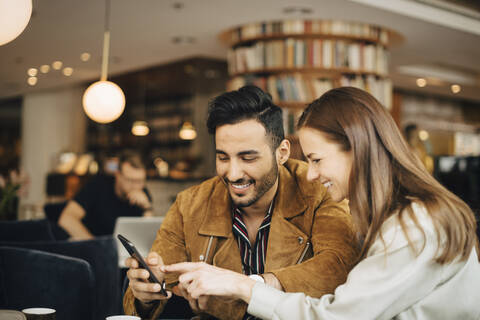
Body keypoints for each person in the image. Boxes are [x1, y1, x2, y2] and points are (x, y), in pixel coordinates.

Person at [164, 87, 480, 319]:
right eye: (223, 157)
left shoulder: (412, 225)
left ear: (356, 148)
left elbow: (335, 317)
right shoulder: (404, 215)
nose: (311, 174)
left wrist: (244, 286)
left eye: (316, 159)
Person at [123, 86, 359, 320]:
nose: (233, 173)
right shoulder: (190, 205)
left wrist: (249, 286)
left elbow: (339, 266)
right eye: (223, 157)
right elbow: (153, 288)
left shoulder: (320, 188)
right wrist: (146, 294)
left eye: (248, 157)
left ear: (282, 153)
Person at [58, 153, 152, 240]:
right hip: (93, 247)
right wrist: (95, 245)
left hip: (124, 252)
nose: (135, 186)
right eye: (130, 180)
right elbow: (67, 218)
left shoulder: (142, 193)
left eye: (139, 181)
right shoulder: (98, 185)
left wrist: (146, 207)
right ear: (118, 175)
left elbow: (147, 235)